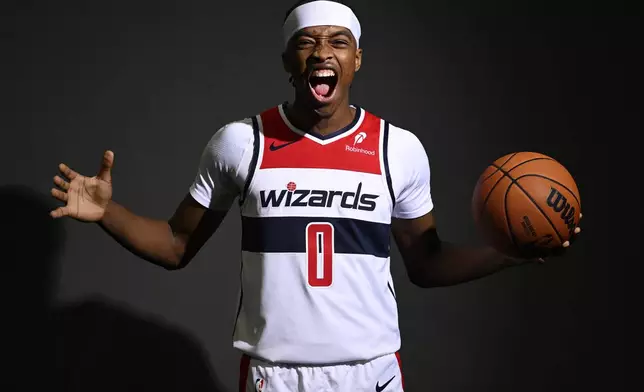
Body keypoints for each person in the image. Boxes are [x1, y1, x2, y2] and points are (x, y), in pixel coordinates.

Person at [49, 1, 582, 391]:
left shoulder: (397, 149)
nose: (321, 52)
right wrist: (107, 212)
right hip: (274, 377)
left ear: (356, 61)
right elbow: (175, 245)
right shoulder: (243, 142)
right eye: (306, 42)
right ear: (288, 61)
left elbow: (426, 262)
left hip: (370, 371)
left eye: (337, 42)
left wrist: (509, 255)